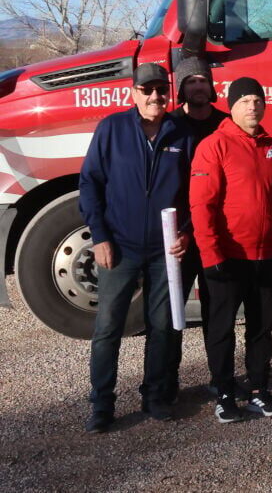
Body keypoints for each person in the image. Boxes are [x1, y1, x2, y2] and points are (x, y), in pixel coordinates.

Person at [80, 63, 193, 433]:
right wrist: (99, 236)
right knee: (109, 326)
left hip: (165, 251)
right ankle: (102, 403)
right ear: (133, 93)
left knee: (162, 325)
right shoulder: (112, 129)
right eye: (147, 90)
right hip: (120, 246)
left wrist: (186, 232)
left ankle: (155, 395)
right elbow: (91, 184)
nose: (155, 97)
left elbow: (196, 191)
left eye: (161, 90)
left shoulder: (183, 133)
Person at [189, 77, 272, 423]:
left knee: (262, 328)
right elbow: (202, 206)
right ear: (231, 106)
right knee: (221, 328)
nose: (252, 106)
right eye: (245, 100)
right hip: (227, 258)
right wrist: (211, 255)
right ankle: (223, 391)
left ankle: (260, 389)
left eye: (257, 100)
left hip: (265, 257)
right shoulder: (213, 145)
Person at [167, 55, 229, 397]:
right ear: (182, 88)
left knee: (215, 309)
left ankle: (220, 379)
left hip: (213, 232)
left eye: (203, 80)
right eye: (191, 81)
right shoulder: (170, 125)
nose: (198, 86)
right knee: (172, 309)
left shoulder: (225, 124)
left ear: (211, 86)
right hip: (177, 234)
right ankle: (170, 379)